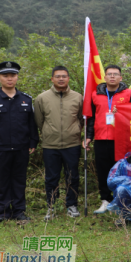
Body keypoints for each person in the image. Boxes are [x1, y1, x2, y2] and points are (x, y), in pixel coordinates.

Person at [0, 61, 39, 223]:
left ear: (17, 77)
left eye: (13, 75)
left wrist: (33, 142)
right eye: (5, 76)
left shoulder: (26, 100)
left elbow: (32, 125)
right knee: (2, 181)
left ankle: (19, 212)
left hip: (21, 147)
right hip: (0, 148)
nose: (9, 79)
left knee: (19, 180)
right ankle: (4, 213)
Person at [84, 64, 131, 214]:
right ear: (105, 77)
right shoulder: (96, 94)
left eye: (115, 74)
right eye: (109, 74)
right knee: (103, 171)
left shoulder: (129, 94)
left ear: (121, 78)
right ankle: (105, 201)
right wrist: (89, 137)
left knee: (122, 170)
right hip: (101, 138)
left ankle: (120, 200)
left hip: (121, 139)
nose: (112, 76)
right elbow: (91, 118)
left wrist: (120, 113)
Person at [34, 66, 83, 220]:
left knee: (72, 176)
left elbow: (81, 119)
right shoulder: (42, 98)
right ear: (52, 79)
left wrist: (74, 131)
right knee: (51, 177)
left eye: (64, 76)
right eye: (57, 76)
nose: (61, 79)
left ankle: (72, 205)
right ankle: (51, 206)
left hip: (72, 144)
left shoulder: (78, 97)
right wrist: (50, 132)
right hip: (50, 145)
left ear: (69, 78)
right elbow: (39, 121)